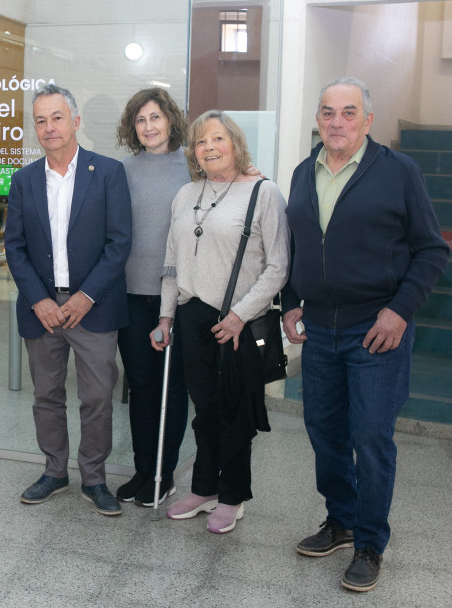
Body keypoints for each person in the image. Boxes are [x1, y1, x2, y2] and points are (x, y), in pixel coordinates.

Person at [283, 77, 449, 592]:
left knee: (371, 437)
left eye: (349, 113)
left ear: (368, 120)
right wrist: (289, 303)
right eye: (328, 112)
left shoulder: (399, 171)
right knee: (325, 431)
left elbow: (431, 250)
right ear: (318, 118)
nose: (337, 122)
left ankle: (370, 542)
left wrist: (399, 311)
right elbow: (295, 247)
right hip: (320, 329)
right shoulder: (301, 172)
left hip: (377, 329)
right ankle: (341, 519)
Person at [151, 110, 289, 533]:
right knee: (205, 410)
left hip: (240, 320)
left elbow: (278, 266)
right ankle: (204, 487)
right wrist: (166, 315)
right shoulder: (185, 194)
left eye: (218, 139)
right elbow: (172, 263)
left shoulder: (264, 193)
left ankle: (233, 496)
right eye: (200, 142)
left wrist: (239, 315)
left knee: (235, 411)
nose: (209, 147)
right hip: (193, 315)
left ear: (235, 144)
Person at [5, 84, 132, 517]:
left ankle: (94, 477)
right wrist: (39, 299)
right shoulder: (23, 180)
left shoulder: (108, 173)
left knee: (97, 396)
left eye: (57, 118)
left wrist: (86, 296)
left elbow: (119, 244)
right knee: (47, 394)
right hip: (42, 308)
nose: (48, 127)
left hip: (93, 307)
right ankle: (54, 471)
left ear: (75, 122)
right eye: (40, 120)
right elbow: (14, 247)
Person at [114, 88, 191, 507]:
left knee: (172, 388)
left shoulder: (193, 167)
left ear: (171, 120)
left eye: (156, 117)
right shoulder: (122, 170)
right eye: (141, 119)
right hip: (131, 294)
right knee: (141, 386)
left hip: (176, 300)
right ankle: (143, 470)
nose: (149, 126)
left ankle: (165, 473)